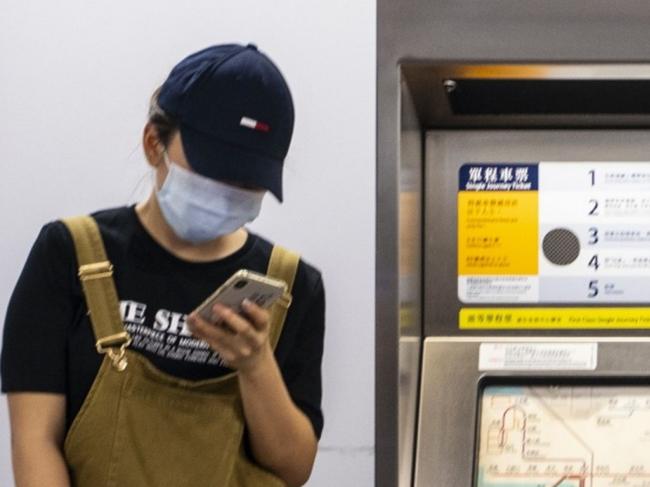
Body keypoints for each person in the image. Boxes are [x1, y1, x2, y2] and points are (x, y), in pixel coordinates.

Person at [1, 43, 325, 487]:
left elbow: (293, 469)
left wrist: (255, 364)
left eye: (248, 181)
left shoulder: (289, 285)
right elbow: (34, 442)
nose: (229, 191)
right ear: (155, 144)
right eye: (216, 170)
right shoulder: (70, 255)